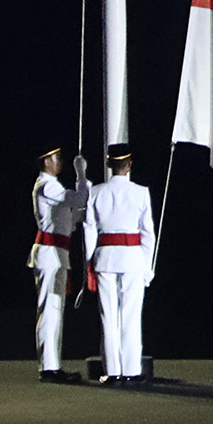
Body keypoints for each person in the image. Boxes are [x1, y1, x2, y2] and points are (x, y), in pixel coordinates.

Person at [85, 143, 155, 382]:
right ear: (130, 164)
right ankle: (132, 370)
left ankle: (113, 371)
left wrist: (89, 261)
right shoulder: (141, 192)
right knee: (131, 315)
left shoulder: (96, 192)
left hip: (105, 257)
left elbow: (89, 231)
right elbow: (148, 234)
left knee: (109, 317)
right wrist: (147, 266)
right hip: (133, 258)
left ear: (108, 163)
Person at [29, 145, 89, 381]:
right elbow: (79, 198)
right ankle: (49, 367)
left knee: (55, 310)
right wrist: (81, 174)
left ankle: (52, 365)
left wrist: (79, 215)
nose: (60, 162)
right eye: (56, 158)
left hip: (56, 253)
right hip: (50, 254)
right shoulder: (48, 185)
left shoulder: (50, 186)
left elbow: (67, 220)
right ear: (46, 162)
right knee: (50, 311)